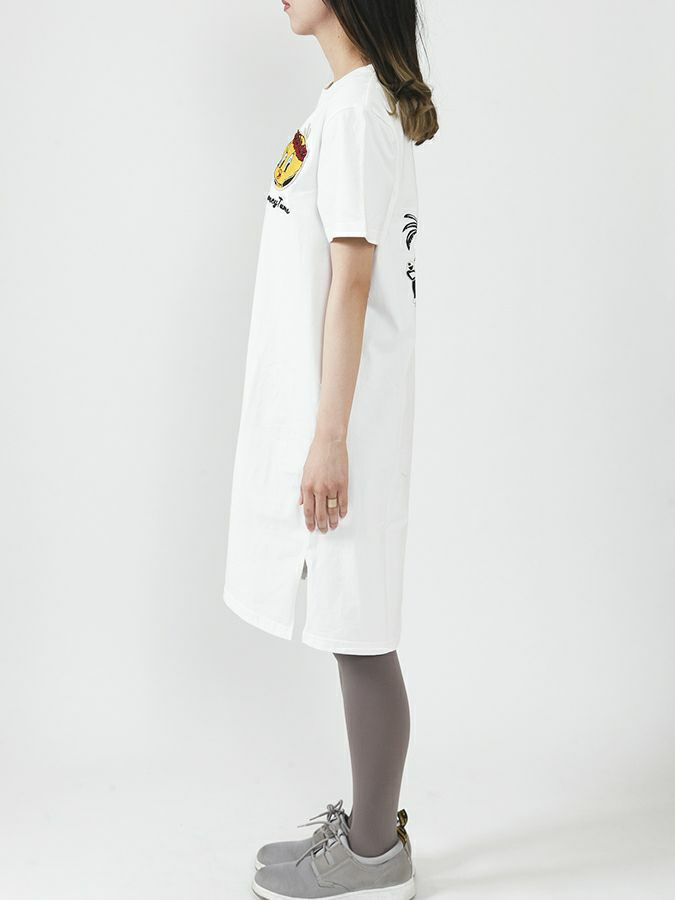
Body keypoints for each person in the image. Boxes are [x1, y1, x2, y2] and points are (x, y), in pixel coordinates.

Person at [223, 2, 438, 897]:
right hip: (340, 411)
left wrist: (328, 437)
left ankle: (374, 853)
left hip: (348, 418)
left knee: (359, 628)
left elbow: (351, 284)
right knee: (353, 623)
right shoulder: (344, 103)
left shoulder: (354, 114)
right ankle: (366, 830)